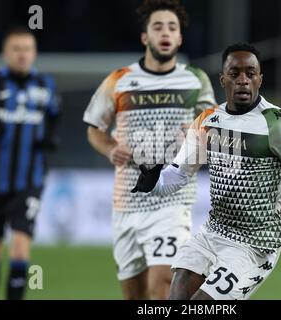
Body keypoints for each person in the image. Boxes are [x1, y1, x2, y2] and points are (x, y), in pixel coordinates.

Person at [132, 43, 281, 300]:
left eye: (250, 73)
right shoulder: (207, 120)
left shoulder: (276, 124)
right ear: (222, 79)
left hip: (255, 244)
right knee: (176, 294)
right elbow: (178, 175)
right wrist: (153, 181)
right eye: (235, 73)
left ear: (260, 79)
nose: (243, 80)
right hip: (212, 233)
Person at [83, 0, 216, 300]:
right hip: (127, 204)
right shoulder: (119, 80)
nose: (165, 32)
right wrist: (109, 148)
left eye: (172, 27)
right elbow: (94, 128)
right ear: (145, 37)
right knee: (135, 297)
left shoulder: (195, 80)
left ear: (180, 38)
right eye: (158, 27)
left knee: (162, 287)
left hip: (170, 201)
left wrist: (197, 135)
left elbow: (211, 128)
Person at [0, 26, 60, 300]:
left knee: (19, 246)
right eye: (16, 49)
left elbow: (55, 116)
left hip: (29, 182)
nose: (22, 55)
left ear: (34, 53)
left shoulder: (45, 85)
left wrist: (51, 139)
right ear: (6, 53)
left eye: (27, 49)